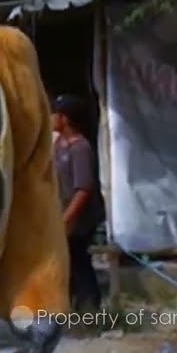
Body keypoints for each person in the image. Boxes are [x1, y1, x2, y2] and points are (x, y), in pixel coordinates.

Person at [52, 94, 104, 311]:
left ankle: (91, 309)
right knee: (66, 265)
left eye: (56, 114)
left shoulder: (80, 148)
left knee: (80, 262)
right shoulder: (58, 145)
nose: (52, 118)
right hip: (60, 216)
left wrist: (67, 219)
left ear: (65, 118)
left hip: (78, 220)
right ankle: (72, 308)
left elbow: (83, 188)